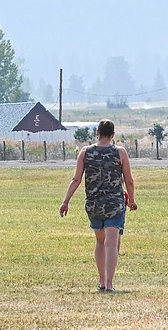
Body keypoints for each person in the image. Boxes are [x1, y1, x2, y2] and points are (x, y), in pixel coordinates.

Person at [59, 119, 138, 293]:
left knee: (100, 241)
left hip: (94, 203)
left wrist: (66, 201)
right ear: (112, 135)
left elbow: (76, 179)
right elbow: (129, 180)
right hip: (115, 203)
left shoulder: (85, 152)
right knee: (112, 242)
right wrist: (131, 200)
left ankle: (102, 281)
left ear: (98, 133)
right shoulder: (120, 152)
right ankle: (109, 284)